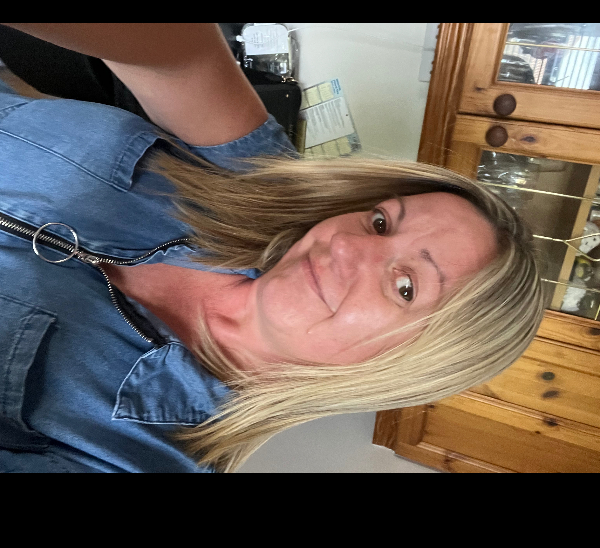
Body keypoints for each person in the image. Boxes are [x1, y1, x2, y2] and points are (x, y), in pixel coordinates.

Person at [0, 24, 546, 473]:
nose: (345, 245)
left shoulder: (133, 455)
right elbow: (181, 53)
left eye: (406, 286)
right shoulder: (264, 189)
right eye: (380, 223)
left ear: (407, 364)